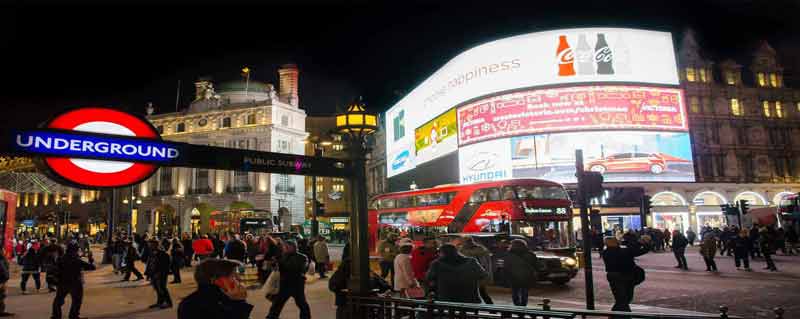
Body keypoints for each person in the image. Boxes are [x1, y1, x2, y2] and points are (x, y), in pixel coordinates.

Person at [177, 259, 253, 319]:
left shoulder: (225, 298)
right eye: (232, 276)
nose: (238, 279)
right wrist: (238, 302)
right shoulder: (194, 306)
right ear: (214, 280)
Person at [601, 235, 650, 314]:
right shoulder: (623, 251)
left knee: (621, 299)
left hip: (613, 276)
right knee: (624, 299)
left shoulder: (606, 252)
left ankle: (617, 315)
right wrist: (643, 243)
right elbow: (639, 251)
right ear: (615, 242)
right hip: (626, 276)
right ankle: (621, 315)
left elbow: (632, 250)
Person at [266, 240, 311, 319]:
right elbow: (276, 269)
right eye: (284, 246)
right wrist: (273, 264)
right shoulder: (282, 256)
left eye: (287, 246)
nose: (285, 248)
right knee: (277, 304)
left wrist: (280, 263)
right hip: (284, 284)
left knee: (302, 304)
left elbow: (298, 268)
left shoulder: (302, 257)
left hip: (296, 285)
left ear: (294, 247)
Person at [51, 243, 95, 319]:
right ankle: (73, 316)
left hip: (62, 282)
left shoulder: (61, 259)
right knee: (76, 301)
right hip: (75, 283)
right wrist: (90, 260)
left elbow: (55, 270)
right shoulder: (77, 260)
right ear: (75, 250)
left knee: (58, 300)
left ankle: (56, 316)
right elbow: (92, 267)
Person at [503, 239, 538, 306]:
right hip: (526, 277)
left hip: (514, 277)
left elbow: (506, 267)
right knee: (524, 293)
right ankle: (523, 306)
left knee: (515, 293)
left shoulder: (509, 255)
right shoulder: (530, 254)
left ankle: (517, 307)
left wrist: (506, 276)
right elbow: (536, 265)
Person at [459, 236, 494, 304]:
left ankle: (487, 306)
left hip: (476, 273)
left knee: (481, 291)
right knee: (480, 292)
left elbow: (484, 263)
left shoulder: (478, 250)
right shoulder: (480, 249)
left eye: (464, 242)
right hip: (471, 274)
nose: (463, 243)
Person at [145, 239, 172, 309]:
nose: (150, 246)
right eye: (149, 245)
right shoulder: (151, 252)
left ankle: (169, 302)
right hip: (153, 273)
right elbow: (149, 263)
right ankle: (160, 302)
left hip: (160, 273)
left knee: (162, 288)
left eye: (151, 245)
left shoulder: (162, 253)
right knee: (157, 288)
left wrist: (161, 273)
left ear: (156, 245)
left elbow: (166, 264)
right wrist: (148, 273)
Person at [0, 248, 13, 317]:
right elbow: (3, 270)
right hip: (1, 279)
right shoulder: (1, 259)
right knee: (1, 295)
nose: (4, 251)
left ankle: (1, 311)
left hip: (3, 279)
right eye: (3, 250)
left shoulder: (3, 258)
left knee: (2, 295)